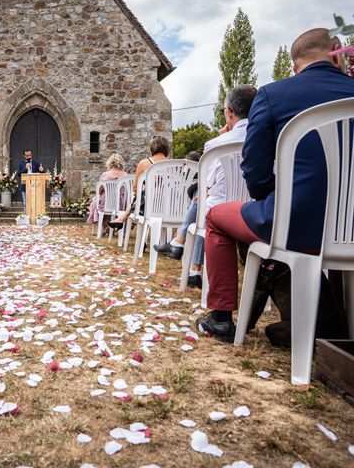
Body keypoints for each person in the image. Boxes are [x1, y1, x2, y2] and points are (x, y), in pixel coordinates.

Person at [197, 28, 354, 341]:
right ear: (337, 51)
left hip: (296, 224)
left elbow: (253, 169)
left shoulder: (273, 95)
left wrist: (269, 198)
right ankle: (332, 323)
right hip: (349, 228)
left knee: (215, 219)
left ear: (295, 66)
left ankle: (221, 317)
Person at [153, 85, 257, 288]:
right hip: (256, 211)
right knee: (202, 201)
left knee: (202, 202)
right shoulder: (270, 139)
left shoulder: (217, 144)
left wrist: (221, 138)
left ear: (229, 112)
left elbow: (207, 185)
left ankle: (183, 247)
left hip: (220, 214)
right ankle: (186, 256)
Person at [107, 135, 171, 229]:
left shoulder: (145, 163)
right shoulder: (174, 165)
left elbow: (135, 188)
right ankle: (123, 217)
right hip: (169, 208)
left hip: (148, 207)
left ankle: (124, 217)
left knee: (140, 195)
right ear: (167, 149)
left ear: (152, 149)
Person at [87, 153, 128, 228]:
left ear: (110, 163)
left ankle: (105, 226)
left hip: (106, 203)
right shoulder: (125, 175)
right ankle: (110, 226)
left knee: (95, 202)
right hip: (121, 204)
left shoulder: (106, 174)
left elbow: (99, 191)